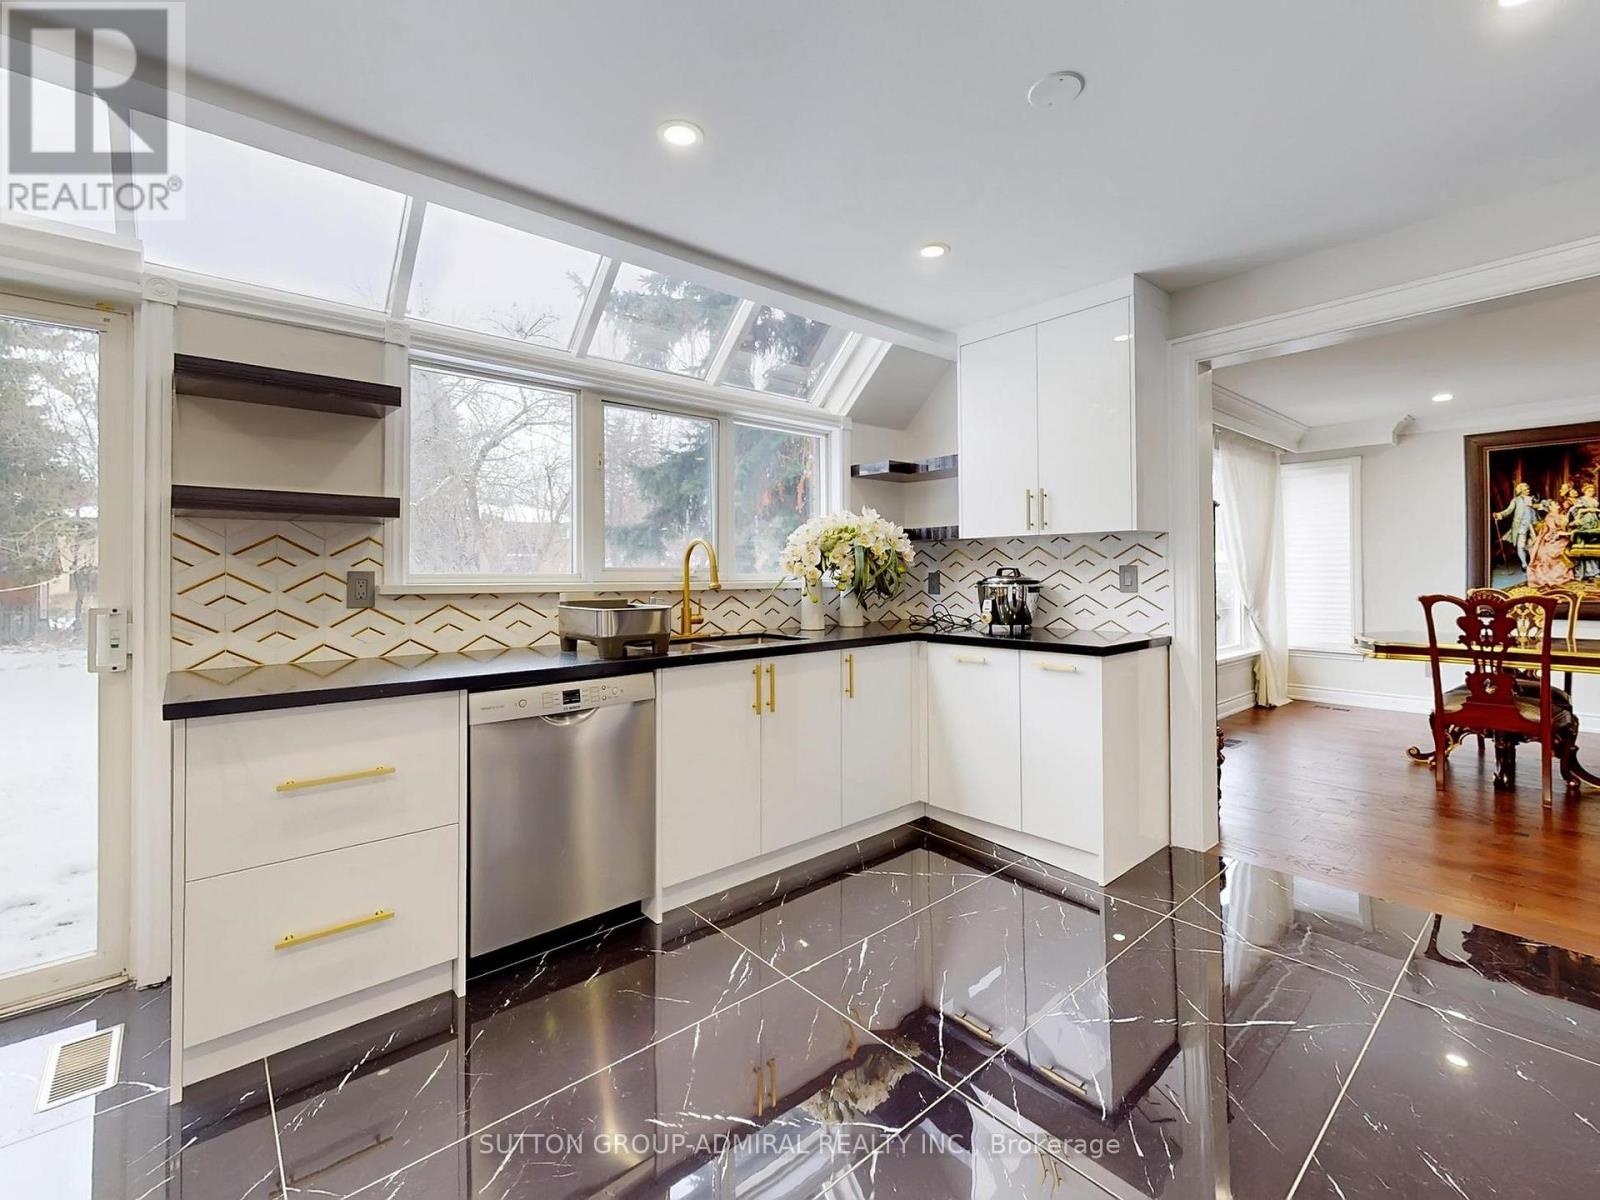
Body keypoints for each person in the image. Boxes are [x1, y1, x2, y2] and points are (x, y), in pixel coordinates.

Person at [1527, 496, 1575, 588]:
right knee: (1554, 551)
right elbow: (1553, 530)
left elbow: (1565, 526)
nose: (1557, 505)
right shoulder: (1550, 517)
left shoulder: (1560, 515)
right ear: (1549, 507)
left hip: (1562, 537)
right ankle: (1554, 576)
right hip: (1553, 538)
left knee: (1568, 544)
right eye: (1554, 504)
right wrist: (1564, 533)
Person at [1494, 481, 1539, 573]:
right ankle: (1524, 564)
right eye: (1525, 489)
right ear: (1520, 491)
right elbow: (1509, 510)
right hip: (1521, 526)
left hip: (1533, 525)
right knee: (1521, 546)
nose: (1528, 491)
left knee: (1536, 544)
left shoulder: (1532, 499)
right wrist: (1500, 515)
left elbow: (1536, 510)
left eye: (1528, 489)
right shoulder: (1516, 500)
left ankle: (1535, 564)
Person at [1568, 481, 1600, 582]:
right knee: (1584, 546)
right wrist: (1588, 510)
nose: (1591, 492)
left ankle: (1594, 571)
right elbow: (1575, 512)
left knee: (1594, 546)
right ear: (1584, 491)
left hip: (1595, 523)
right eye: (1589, 491)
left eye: (1592, 491)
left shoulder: (1595, 500)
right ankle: (1584, 572)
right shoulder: (1581, 500)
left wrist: (1596, 512)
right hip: (1585, 523)